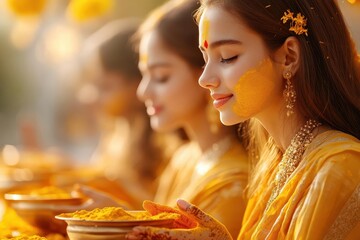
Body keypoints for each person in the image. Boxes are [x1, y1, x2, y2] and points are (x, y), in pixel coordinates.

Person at [126, 0, 360, 239]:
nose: (205, 79)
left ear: (288, 56)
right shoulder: (277, 163)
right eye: (205, 58)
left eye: (227, 57)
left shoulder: (338, 168)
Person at [132, 0, 248, 238]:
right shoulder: (185, 158)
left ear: (205, 74)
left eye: (161, 77)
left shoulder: (233, 182)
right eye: (144, 76)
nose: (143, 92)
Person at [71, 18, 178, 209]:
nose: (91, 96)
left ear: (137, 82)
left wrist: (118, 188)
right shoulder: (117, 131)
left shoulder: (165, 141)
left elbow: (163, 213)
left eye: (105, 87)